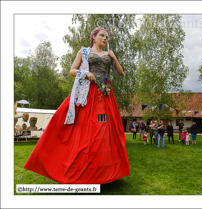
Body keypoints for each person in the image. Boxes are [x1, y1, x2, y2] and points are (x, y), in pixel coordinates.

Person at [24, 27, 130, 184]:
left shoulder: (109, 54)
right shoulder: (84, 52)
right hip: (86, 95)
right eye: (102, 35)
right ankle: (78, 169)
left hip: (105, 95)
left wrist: (114, 58)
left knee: (104, 130)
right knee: (85, 130)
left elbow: (120, 73)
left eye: (106, 37)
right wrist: (86, 73)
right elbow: (72, 71)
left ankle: (104, 172)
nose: (105, 38)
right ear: (94, 37)